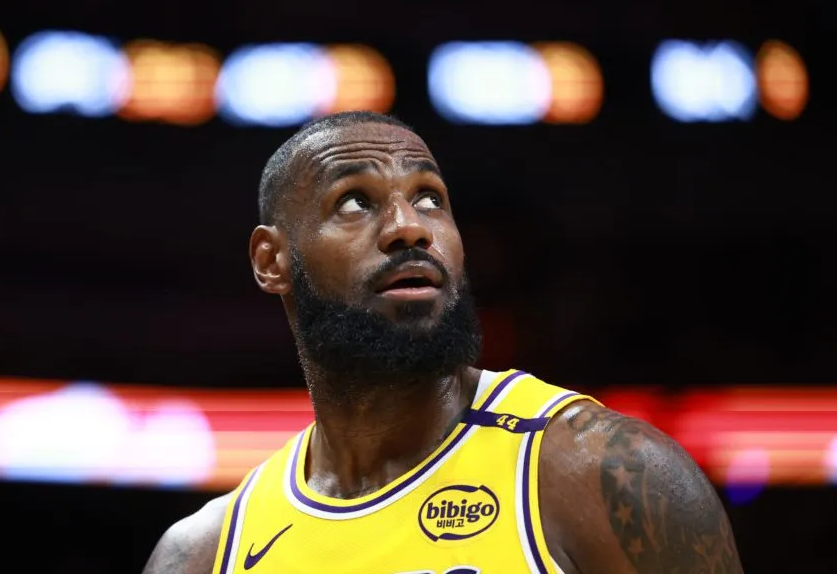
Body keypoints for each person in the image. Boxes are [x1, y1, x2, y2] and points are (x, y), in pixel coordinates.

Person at [143, 111, 742, 574]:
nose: (409, 227)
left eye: (430, 198)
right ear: (271, 260)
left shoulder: (605, 475)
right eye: (355, 201)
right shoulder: (204, 554)